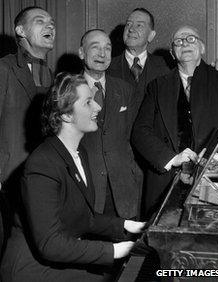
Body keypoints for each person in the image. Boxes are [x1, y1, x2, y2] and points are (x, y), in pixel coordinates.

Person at [0, 73, 145, 282]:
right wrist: (117, 250)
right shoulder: (42, 164)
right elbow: (50, 244)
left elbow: (84, 217)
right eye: (88, 102)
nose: (98, 107)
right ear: (66, 115)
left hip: (56, 260)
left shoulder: (78, 153)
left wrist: (129, 226)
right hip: (30, 270)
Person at [132, 25, 218, 219]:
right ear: (172, 53)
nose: (185, 43)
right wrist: (171, 159)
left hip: (217, 181)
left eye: (191, 39)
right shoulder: (157, 87)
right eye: (178, 41)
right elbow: (140, 132)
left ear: (202, 47)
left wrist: (217, 159)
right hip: (167, 187)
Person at [0, 5, 55, 257]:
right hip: (7, 181)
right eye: (40, 21)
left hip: (39, 180)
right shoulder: (4, 68)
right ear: (20, 30)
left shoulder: (51, 74)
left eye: (52, 22)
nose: (50, 26)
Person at [79, 29, 143, 219]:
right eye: (95, 47)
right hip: (86, 189)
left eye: (107, 48)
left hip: (123, 190)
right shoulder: (68, 88)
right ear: (82, 53)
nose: (102, 54)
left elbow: (134, 135)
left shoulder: (124, 89)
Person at [108, 7, 170, 116]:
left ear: (151, 36)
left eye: (139, 25)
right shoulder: (108, 67)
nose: (131, 29)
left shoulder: (164, 68)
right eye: (128, 24)